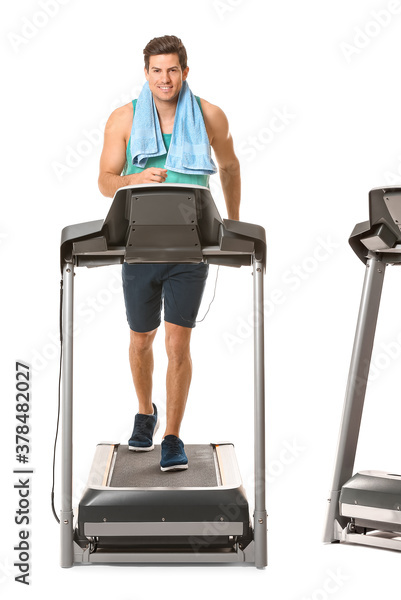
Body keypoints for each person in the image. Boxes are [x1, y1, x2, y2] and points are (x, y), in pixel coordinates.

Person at [97, 35, 240, 471]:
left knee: (179, 344)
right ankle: (146, 413)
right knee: (141, 339)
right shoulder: (124, 118)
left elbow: (230, 167)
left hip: (189, 246)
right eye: (156, 70)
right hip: (139, 246)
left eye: (172, 70)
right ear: (146, 73)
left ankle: (173, 435)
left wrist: (232, 224)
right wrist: (132, 181)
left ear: (185, 72)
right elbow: (105, 180)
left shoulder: (209, 115)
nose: (165, 79)